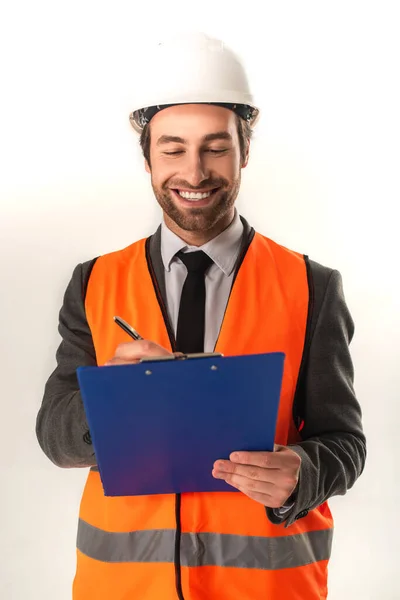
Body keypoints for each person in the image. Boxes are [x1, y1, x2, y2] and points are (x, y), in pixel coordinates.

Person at [36, 33, 366, 600]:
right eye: (172, 148)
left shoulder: (312, 287)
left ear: (245, 152)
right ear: (147, 158)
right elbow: (55, 438)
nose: (194, 172)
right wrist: (110, 397)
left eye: (216, 147)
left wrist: (303, 475)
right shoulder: (93, 283)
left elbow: (344, 442)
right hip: (123, 587)